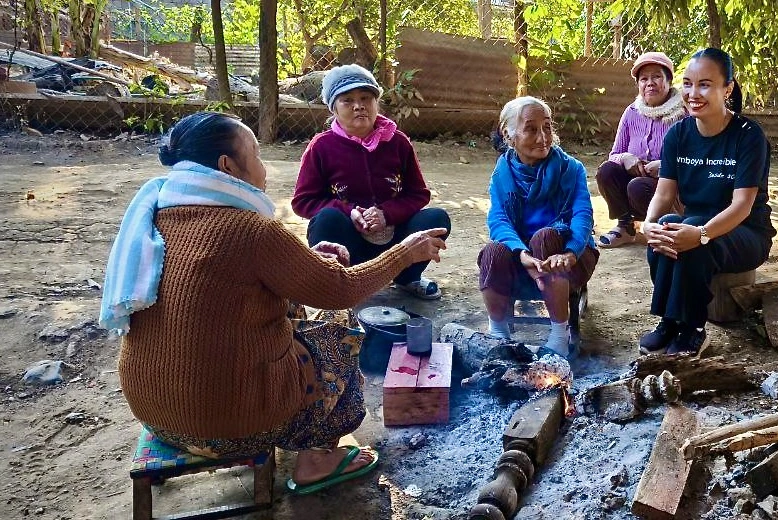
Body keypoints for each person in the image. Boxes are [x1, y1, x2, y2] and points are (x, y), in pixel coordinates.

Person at [99, 112, 447, 495]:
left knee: (293, 310)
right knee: (340, 326)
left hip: (157, 414)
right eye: (257, 153)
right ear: (227, 166)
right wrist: (403, 253)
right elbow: (340, 290)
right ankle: (318, 456)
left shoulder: (158, 212)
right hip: (231, 431)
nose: (264, 167)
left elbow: (229, 283)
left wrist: (306, 259)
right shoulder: (249, 228)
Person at [638, 48, 776, 356]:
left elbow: (742, 205)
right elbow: (664, 193)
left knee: (696, 240)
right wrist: (648, 225)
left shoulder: (748, 136)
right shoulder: (678, 135)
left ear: (727, 89)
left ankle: (693, 329)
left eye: (705, 84)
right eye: (687, 84)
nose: (692, 93)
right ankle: (668, 322)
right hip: (697, 222)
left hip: (746, 231)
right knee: (664, 230)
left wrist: (701, 234)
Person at [292, 64, 451, 300]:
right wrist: (349, 212)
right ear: (334, 109)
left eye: (366, 97)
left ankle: (407, 277)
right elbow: (303, 201)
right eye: (347, 100)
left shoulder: (398, 142)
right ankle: (344, 284)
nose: (359, 106)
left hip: (396, 240)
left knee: (436, 219)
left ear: (377, 103)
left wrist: (386, 214)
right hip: (350, 241)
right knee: (326, 219)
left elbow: (418, 194)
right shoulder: (322, 147)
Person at [478, 96, 598, 359]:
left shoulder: (571, 169)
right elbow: (498, 220)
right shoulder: (502, 174)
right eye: (531, 129)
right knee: (493, 252)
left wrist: (570, 252)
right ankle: (498, 332)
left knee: (545, 237)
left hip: (568, 259)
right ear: (509, 135)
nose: (543, 137)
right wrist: (521, 254)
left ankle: (559, 334)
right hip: (524, 261)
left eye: (547, 127)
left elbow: (582, 216)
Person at [596, 51, 687, 248]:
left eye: (656, 76)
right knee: (607, 170)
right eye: (644, 79)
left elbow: (695, 161)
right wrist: (626, 158)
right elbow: (614, 155)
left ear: (669, 81)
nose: (650, 83)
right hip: (637, 182)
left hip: (671, 189)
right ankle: (626, 227)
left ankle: (665, 228)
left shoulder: (684, 114)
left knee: (638, 186)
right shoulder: (631, 112)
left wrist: (666, 166)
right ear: (638, 85)